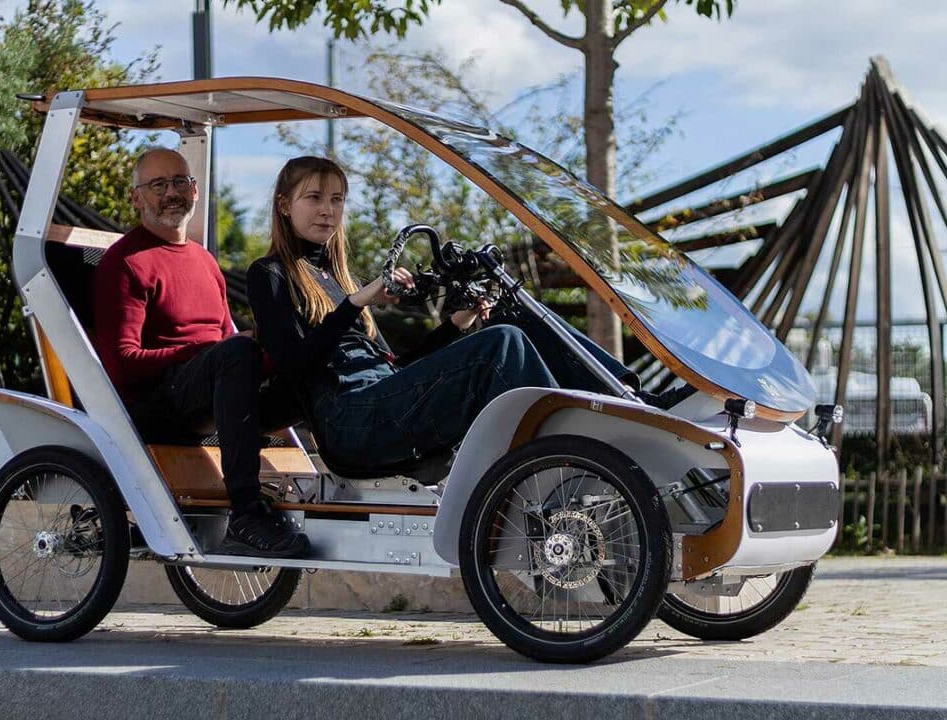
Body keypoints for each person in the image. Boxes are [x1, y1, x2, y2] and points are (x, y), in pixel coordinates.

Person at [246, 156, 695, 472]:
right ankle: (578, 443)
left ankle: (635, 403)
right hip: (351, 424)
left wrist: (453, 326)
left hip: (382, 402)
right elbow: (292, 367)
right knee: (502, 344)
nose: (328, 209)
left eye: (338, 199)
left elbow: (396, 367)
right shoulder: (269, 275)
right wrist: (355, 304)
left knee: (512, 316)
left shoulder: (339, 278)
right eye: (314, 198)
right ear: (285, 205)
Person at [93, 147, 308, 558]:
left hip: (209, 391)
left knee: (303, 359)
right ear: (137, 198)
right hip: (156, 405)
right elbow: (122, 365)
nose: (171, 192)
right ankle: (246, 512)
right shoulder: (124, 264)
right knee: (236, 354)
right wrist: (209, 349)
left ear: (194, 190)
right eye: (158, 185)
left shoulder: (204, 260)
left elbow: (227, 343)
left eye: (180, 182)